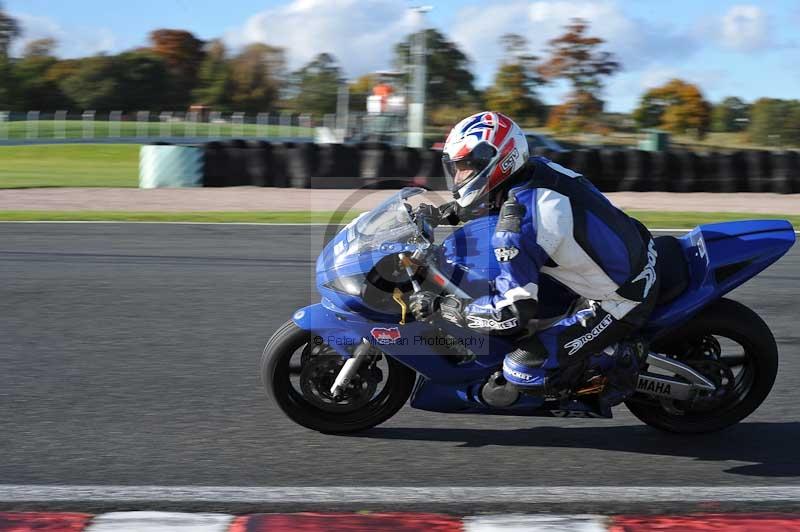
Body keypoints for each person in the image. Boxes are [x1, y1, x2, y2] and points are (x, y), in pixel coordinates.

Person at [409, 111, 659, 409]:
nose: (459, 177)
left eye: (466, 168)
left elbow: (513, 313)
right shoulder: (535, 169)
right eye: (456, 168)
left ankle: (619, 363)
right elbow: (496, 202)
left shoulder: (518, 229)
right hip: (628, 249)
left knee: (520, 370)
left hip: (621, 296)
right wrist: (443, 213)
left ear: (497, 161)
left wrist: (446, 307)